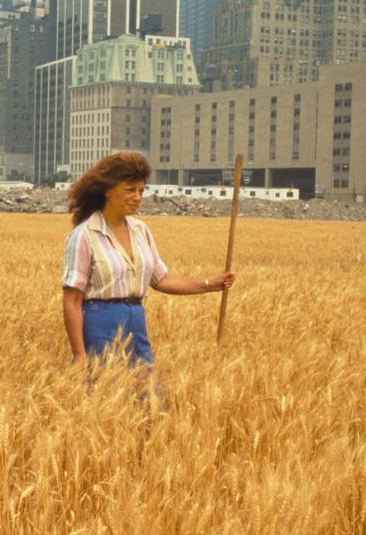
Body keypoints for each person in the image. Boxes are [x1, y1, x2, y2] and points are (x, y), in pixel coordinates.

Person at [61, 152, 236, 378]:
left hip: (136, 320)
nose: (138, 197)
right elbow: (72, 299)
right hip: (100, 320)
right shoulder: (84, 235)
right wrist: (79, 354)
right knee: (105, 394)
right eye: (130, 189)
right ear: (108, 189)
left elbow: (161, 279)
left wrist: (209, 284)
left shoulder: (141, 230)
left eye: (141, 190)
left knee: (147, 394)